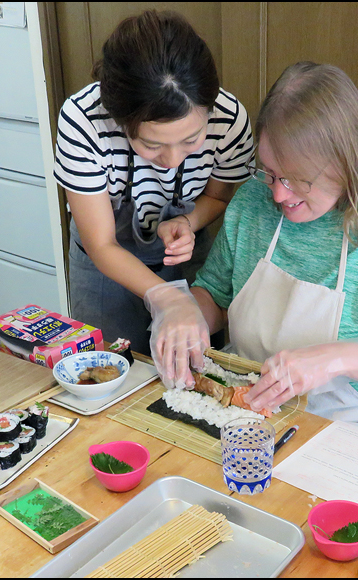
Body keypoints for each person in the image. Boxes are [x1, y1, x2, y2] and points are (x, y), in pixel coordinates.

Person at [149, 62, 358, 452]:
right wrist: (184, 318)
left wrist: (337, 359)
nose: (278, 195)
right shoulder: (254, 201)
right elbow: (216, 294)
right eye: (269, 172)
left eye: (299, 180)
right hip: (256, 412)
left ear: (346, 161)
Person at [53, 10, 254, 356]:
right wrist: (163, 296)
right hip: (105, 269)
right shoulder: (84, 121)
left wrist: (187, 222)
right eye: (152, 145)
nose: (173, 159)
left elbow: (218, 198)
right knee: (111, 371)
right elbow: (101, 243)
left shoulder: (229, 120)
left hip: (186, 258)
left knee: (193, 370)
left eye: (191, 141)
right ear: (120, 121)